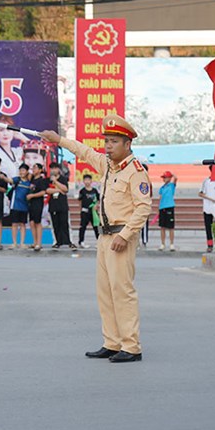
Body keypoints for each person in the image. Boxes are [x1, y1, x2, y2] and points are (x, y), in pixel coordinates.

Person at [40, 114, 152, 363]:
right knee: (105, 292)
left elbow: (143, 207)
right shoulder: (109, 166)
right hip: (104, 236)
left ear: (127, 144)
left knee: (122, 291)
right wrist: (58, 139)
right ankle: (112, 342)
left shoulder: (135, 172)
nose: (108, 146)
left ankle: (131, 346)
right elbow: (84, 152)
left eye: (113, 141)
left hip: (121, 237)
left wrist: (125, 235)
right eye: (107, 141)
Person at [47, 162, 75, 249]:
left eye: (55, 168)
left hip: (62, 205)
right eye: (52, 168)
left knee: (65, 224)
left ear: (58, 169)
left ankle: (70, 242)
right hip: (53, 205)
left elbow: (65, 189)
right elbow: (48, 190)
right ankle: (57, 242)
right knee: (55, 225)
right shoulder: (48, 180)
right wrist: (59, 190)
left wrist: (55, 182)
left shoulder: (63, 179)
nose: (53, 170)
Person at [199, 166, 215, 253]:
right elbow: (200, 193)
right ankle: (210, 245)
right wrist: (209, 198)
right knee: (208, 227)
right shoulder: (206, 182)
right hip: (207, 207)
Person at [8, 163, 32, 249]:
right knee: (14, 224)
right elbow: (9, 180)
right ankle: (14, 243)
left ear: (27, 172)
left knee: (22, 225)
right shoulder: (16, 180)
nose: (21, 172)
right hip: (15, 206)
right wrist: (3, 178)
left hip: (24, 207)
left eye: (23, 170)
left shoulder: (29, 183)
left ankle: (22, 243)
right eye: (20, 170)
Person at [26, 163, 48, 251]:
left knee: (37, 222)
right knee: (31, 222)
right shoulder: (31, 179)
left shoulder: (41, 180)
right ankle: (34, 242)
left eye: (35, 168)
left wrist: (32, 196)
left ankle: (39, 243)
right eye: (33, 167)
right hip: (30, 203)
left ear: (40, 170)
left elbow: (43, 192)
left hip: (38, 202)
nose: (33, 169)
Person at [77, 174, 100, 248]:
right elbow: (80, 201)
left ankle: (99, 242)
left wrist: (97, 206)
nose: (87, 182)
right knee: (83, 227)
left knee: (97, 227)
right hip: (85, 211)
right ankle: (81, 242)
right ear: (83, 181)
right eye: (85, 180)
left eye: (88, 180)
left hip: (94, 212)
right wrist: (81, 210)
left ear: (91, 181)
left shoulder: (95, 190)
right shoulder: (82, 191)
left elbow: (98, 200)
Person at [157, 170, 177, 251]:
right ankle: (162, 243)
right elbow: (160, 197)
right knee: (162, 227)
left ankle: (171, 244)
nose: (164, 179)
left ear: (169, 178)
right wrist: (159, 207)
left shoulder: (171, 185)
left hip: (170, 207)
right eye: (163, 177)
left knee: (171, 227)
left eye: (165, 177)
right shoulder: (162, 188)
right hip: (162, 208)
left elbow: (176, 178)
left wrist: (171, 175)